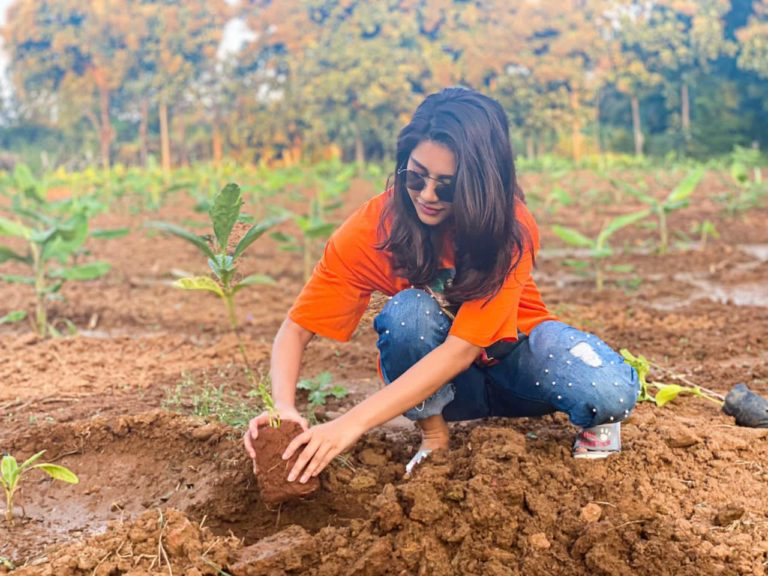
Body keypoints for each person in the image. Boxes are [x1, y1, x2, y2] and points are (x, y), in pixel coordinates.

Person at [244, 87, 639, 486]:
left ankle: (595, 426)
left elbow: (461, 349)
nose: (427, 195)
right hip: (448, 391)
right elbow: (295, 329)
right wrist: (284, 408)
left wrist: (350, 424)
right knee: (408, 313)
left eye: (447, 186)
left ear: (482, 183)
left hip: (517, 364)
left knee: (608, 392)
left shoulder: (512, 229)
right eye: (415, 176)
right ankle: (435, 437)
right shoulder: (372, 230)